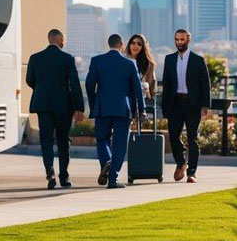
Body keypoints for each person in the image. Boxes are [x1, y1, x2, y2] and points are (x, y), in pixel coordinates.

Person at [26, 29, 85, 189]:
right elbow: (74, 84)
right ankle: (64, 176)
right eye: (63, 39)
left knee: (46, 140)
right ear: (59, 40)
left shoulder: (35, 58)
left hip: (43, 105)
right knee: (63, 141)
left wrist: (42, 90)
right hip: (63, 106)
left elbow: (30, 80)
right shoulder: (67, 59)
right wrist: (80, 107)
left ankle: (50, 173)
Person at [85, 34, 145, 189]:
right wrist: (141, 109)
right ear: (121, 44)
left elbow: (89, 85)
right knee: (119, 145)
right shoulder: (130, 63)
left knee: (102, 140)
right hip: (122, 109)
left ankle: (106, 162)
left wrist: (94, 103)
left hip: (102, 108)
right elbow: (138, 90)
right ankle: (112, 178)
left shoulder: (96, 61)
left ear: (109, 44)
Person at [161, 29, 211, 183]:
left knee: (193, 138)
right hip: (175, 103)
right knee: (174, 137)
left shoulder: (198, 60)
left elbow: (205, 84)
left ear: (188, 40)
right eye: (176, 39)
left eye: (182, 40)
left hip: (192, 104)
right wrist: (165, 106)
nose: (179, 43)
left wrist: (205, 106)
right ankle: (181, 162)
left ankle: (192, 173)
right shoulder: (169, 59)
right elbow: (167, 85)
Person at [124, 34, 157, 99]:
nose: (135, 46)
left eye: (139, 44)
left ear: (143, 47)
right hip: (125, 100)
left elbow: (151, 90)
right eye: (133, 43)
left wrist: (147, 91)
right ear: (129, 45)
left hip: (142, 101)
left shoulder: (148, 65)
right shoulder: (123, 61)